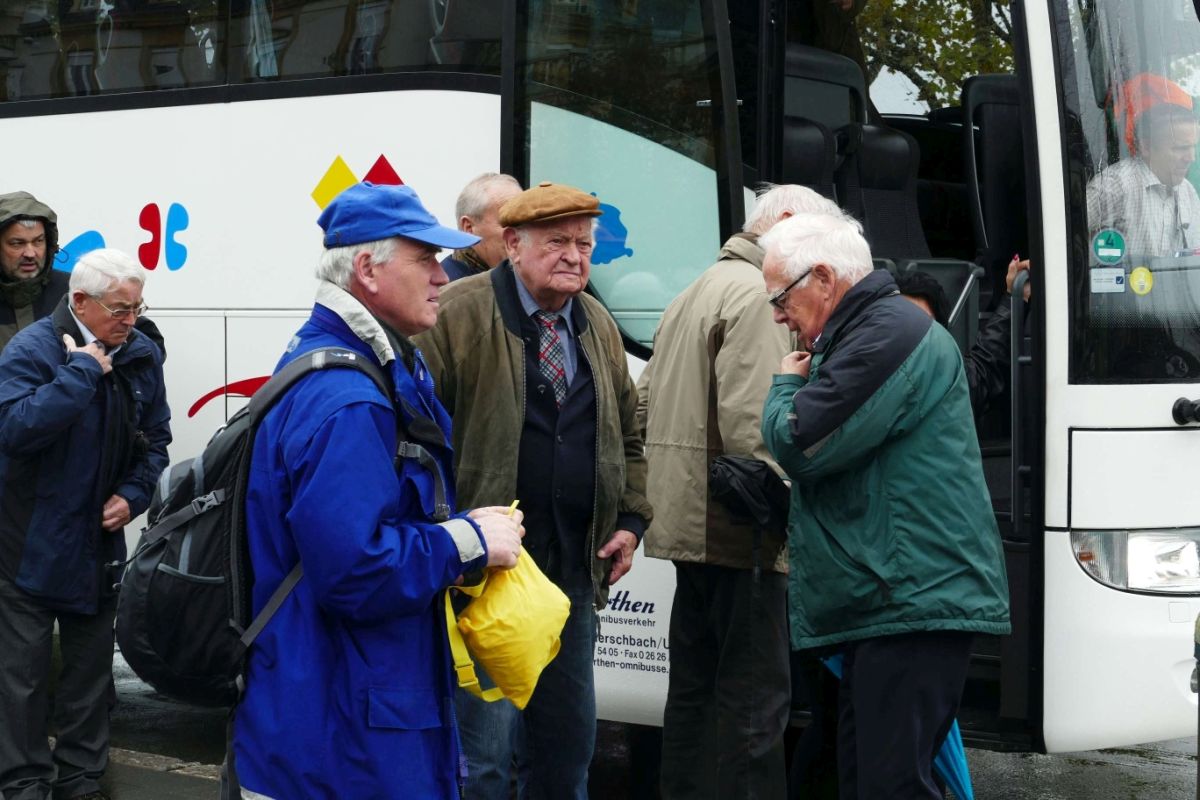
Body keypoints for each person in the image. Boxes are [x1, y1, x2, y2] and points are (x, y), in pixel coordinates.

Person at [229, 181, 525, 799]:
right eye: (425, 258)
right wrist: (467, 542)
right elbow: (354, 570)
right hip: (345, 737)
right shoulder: (351, 399)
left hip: (330, 714)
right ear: (367, 269)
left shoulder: (349, 365)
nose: (442, 275)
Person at [759, 212, 1010, 800]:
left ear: (823, 278)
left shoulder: (886, 333)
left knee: (888, 786)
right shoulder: (876, 329)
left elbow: (799, 442)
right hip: (897, 596)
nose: (777, 315)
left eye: (780, 297)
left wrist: (785, 386)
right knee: (865, 779)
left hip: (910, 598)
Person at [415, 180, 653, 799]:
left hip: (572, 574)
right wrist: (444, 535)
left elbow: (629, 434)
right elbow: (409, 432)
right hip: (485, 578)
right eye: (556, 243)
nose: (574, 256)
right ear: (513, 245)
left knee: (566, 755)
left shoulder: (596, 322)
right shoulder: (459, 313)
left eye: (584, 243)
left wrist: (630, 520)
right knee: (483, 761)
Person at [639, 184, 845, 800]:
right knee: (754, 705)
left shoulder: (700, 286)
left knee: (694, 697)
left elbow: (642, 404)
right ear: (785, 223)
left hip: (690, 520)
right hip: (740, 530)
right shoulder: (759, 296)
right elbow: (762, 434)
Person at [0, 249, 171, 800]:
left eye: (138, 307)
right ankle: (24, 784)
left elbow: (156, 441)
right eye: (120, 309)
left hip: (97, 543)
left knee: (90, 675)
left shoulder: (140, 352)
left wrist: (133, 496)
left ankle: (81, 779)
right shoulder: (32, 350)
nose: (131, 319)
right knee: (22, 680)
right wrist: (81, 373)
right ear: (79, 301)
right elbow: (15, 430)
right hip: (26, 543)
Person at [0, 191, 165, 356]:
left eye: (38, 241)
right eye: (17, 243)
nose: (30, 253)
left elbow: (149, 347)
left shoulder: (77, 288)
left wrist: (103, 361)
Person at [896, 256, 1031, 415]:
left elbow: (984, 368)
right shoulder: (875, 381)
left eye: (922, 326)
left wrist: (1015, 294)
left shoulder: (945, 381)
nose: (911, 334)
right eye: (903, 322)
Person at [1086, 87, 1200, 258]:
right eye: (1180, 148)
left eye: (1192, 147)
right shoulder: (1115, 185)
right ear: (1146, 147)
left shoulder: (1187, 192)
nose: (1191, 158)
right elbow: (1060, 231)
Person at [441, 173, 523, 281]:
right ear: (468, 228)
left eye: (524, 222)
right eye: (507, 222)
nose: (522, 232)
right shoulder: (444, 288)